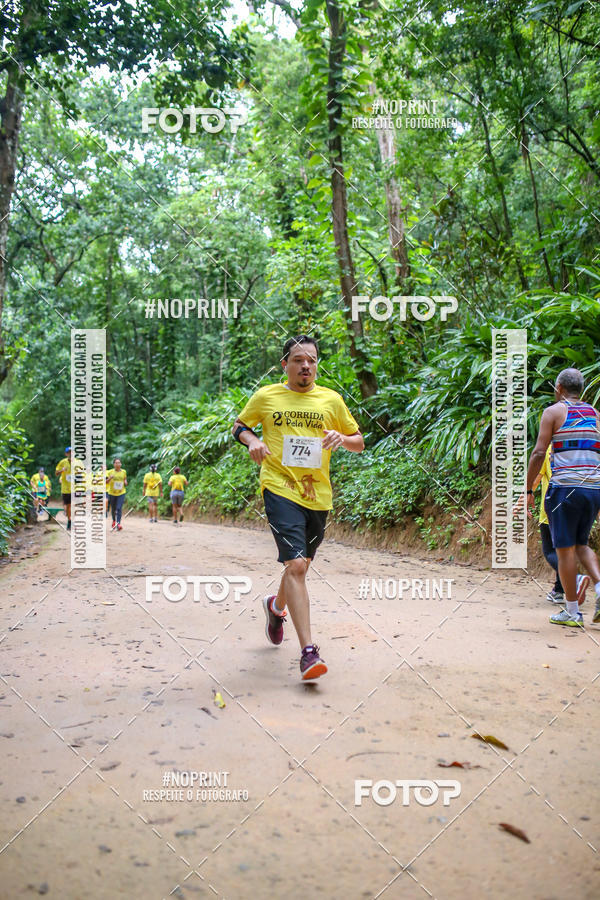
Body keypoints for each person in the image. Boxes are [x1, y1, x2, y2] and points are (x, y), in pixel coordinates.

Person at [232, 334, 364, 681]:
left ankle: (276, 608)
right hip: (279, 488)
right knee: (297, 565)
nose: (306, 365)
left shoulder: (331, 400)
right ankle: (308, 653)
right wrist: (253, 440)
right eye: (298, 360)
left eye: (311, 360)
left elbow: (359, 442)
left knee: (300, 565)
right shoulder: (267, 396)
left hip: (317, 496)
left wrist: (342, 439)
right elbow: (240, 427)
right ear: (285, 364)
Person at [526, 368, 600, 627]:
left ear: (558, 388)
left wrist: (528, 489)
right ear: (581, 388)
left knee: (565, 549)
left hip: (564, 490)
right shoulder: (596, 415)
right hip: (593, 489)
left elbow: (539, 453)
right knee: (581, 544)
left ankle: (572, 612)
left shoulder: (553, 412)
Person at [531, 445, 588, 604]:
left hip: (551, 510)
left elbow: (535, 480)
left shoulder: (548, 449)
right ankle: (559, 590)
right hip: (574, 508)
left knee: (550, 551)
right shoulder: (578, 449)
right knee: (564, 550)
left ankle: (575, 578)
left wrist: (525, 496)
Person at [55, 447, 78, 531]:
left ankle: (73, 521)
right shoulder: (62, 462)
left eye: (72, 452)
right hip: (65, 489)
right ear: (66, 454)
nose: (71, 454)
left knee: (74, 505)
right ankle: (69, 520)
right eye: (69, 452)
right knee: (68, 506)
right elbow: (56, 473)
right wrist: (62, 470)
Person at [106, 458, 127, 531]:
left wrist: (125, 482)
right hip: (112, 493)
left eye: (119, 463)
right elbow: (106, 482)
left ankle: (118, 524)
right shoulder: (110, 472)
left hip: (121, 492)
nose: (118, 464)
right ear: (114, 464)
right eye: (116, 463)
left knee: (119, 508)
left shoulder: (124, 471)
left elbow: (125, 479)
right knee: (113, 508)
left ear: (121, 464)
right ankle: (114, 521)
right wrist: (110, 478)